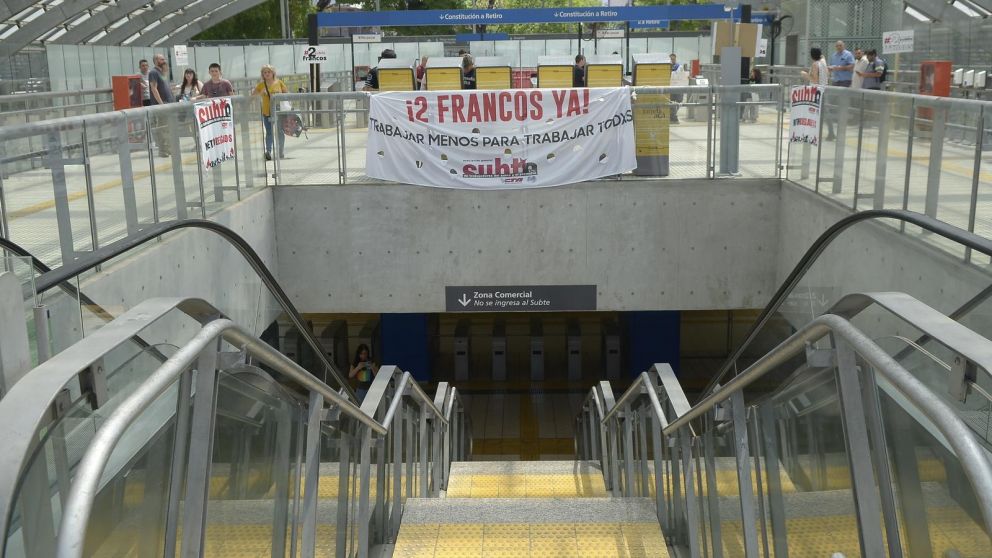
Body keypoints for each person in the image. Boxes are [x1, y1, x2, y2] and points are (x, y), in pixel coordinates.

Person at [251, 64, 288, 161]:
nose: (267, 74)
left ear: (273, 73)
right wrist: (261, 93)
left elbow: (286, 95)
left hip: (278, 111)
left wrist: (277, 95)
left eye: (269, 72)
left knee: (280, 131)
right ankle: (268, 152)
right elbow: (252, 97)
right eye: (265, 72)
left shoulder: (279, 82)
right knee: (269, 132)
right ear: (262, 74)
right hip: (267, 112)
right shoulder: (261, 85)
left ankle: (280, 151)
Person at [825, 40, 854, 141]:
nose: (838, 47)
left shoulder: (848, 54)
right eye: (837, 46)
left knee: (842, 107)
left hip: (845, 82)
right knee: (830, 106)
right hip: (836, 81)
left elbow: (852, 66)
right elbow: (831, 66)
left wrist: (840, 68)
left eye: (840, 45)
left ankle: (841, 133)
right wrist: (830, 69)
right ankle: (831, 132)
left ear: (843, 46)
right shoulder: (834, 56)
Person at [147, 54, 175, 158]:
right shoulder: (153, 72)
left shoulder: (162, 72)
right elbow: (154, 88)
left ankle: (168, 148)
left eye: (164, 59)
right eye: (161, 59)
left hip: (169, 103)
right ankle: (163, 150)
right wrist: (161, 104)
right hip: (162, 105)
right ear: (156, 61)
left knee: (168, 128)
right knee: (162, 128)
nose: (164, 60)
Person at [669, 53, 686, 124]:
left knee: (679, 102)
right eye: (671, 59)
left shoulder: (680, 67)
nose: (672, 60)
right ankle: (673, 117)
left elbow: (681, 77)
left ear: (675, 59)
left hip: (679, 88)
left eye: (673, 59)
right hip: (670, 88)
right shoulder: (667, 67)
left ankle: (673, 116)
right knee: (671, 103)